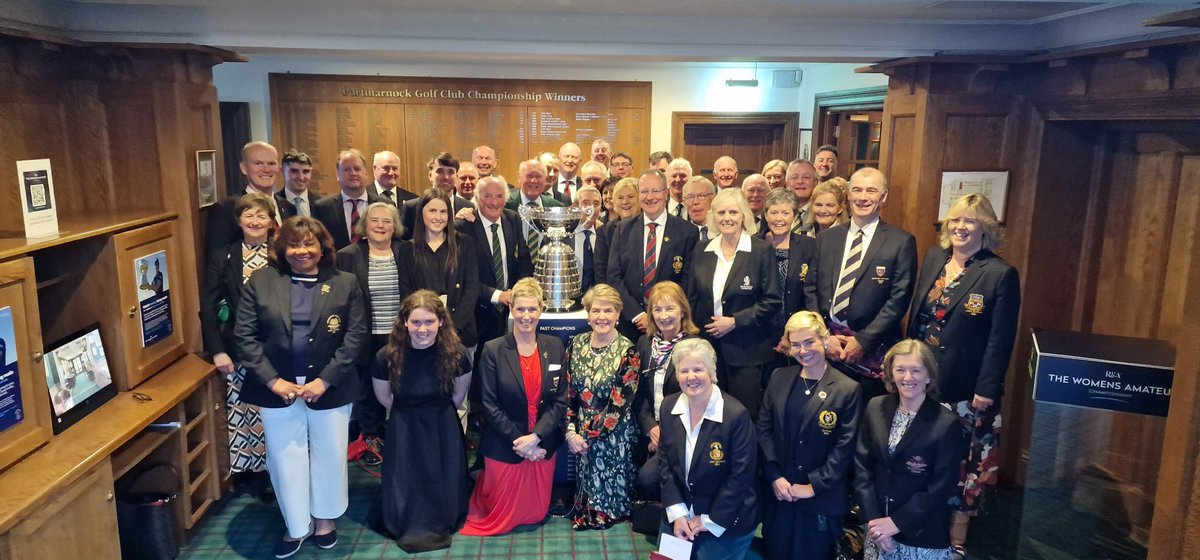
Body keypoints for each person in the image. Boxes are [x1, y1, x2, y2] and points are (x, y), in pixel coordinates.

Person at [234, 216, 367, 558]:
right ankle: (297, 525)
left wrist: (326, 379)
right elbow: (244, 337)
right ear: (282, 249)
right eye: (294, 244)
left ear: (323, 247)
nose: (302, 251)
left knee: (330, 453)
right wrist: (272, 380)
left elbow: (355, 337)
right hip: (276, 387)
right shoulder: (261, 282)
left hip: (330, 386)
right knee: (284, 457)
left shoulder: (345, 282)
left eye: (309, 243)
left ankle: (325, 520)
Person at [906, 194, 1020, 557]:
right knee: (924, 457)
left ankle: (956, 541)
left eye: (969, 221)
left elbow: (1000, 340)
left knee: (963, 466)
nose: (960, 227)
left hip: (967, 391)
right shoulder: (935, 259)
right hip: (922, 383)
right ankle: (921, 523)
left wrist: (986, 388)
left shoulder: (999, 274)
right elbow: (918, 319)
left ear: (985, 228)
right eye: (955, 219)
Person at [462, 278, 568, 536]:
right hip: (506, 442)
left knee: (536, 513)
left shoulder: (554, 346)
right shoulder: (493, 349)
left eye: (532, 309)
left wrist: (536, 438)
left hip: (542, 443)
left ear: (541, 310)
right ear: (512, 310)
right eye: (520, 309)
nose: (526, 316)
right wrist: (521, 442)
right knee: (499, 516)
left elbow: (560, 401)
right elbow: (489, 405)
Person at [369, 290, 471, 552]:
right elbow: (384, 397)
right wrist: (410, 412)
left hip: (442, 424)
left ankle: (444, 515)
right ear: (404, 322)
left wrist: (430, 411)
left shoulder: (457, 354)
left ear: (441, 322)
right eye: (416, 322)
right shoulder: (386, 356)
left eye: (429, 322)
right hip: (404, 426)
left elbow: (458, 397)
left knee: (444, 474)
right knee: (405, 478)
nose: (422, 329)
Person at [758, 311, 863, 559]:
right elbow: (763, 429)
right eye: (796, 344)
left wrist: (813, 486)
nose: (803, 350)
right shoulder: (779, 378)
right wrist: (774, 477)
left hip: (820, 500)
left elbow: (844, 448)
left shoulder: (848, 389)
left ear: (824, 339)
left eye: (809, 342)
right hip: (780, 495)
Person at [805, 167, 916, 398]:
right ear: (848, 194)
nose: (862, 197)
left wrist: (862, 341)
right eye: (856, 190)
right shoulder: (827, 239)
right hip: (829, 349)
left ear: (883, 197)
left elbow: (898, 300)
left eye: (871, 190)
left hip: (871, 355)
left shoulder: (900, 242)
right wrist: (825, 337)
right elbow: (811, 289)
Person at [855, 340, 967, 560]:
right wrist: (874, 520)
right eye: (900, 370)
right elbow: (862, 468)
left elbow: (942, 486)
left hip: (922, 534)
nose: (907, 378)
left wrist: (896, 523)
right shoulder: (875, 407)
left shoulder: (947, 424)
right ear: (890, 373)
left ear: (929, 376)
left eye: (916, 370)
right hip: (877, 529)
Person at [200, 193, 275, 492]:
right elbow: (208, 304)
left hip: (275, 347)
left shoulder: (280, 254)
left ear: (271, 222)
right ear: (239, 221)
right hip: (238, 348)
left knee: (275, 410)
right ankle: (252, 474)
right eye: (249, 215)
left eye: (261, 216)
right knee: (244, 409)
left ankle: (276, 469)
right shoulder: (225, 255)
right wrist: (217, 349)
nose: (255, 221)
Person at [658, 338, 758, 559]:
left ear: (712, 373)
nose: (691, 377)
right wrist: (677, 513)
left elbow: (741, 477)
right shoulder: (668, 407)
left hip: (726, 515)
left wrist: (708, 520)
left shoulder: (736, 415)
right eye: (684, 370)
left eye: (697, 369)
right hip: (683, 510)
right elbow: (665, 464)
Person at [688, 189, 781, 417]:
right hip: (708, 349)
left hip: (747, 350)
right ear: (713, 216)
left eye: (733, 212)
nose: (727, 217)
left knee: (742, 414)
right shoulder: (702, 250)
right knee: (710, 412)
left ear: (744, 216)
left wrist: (734, 321)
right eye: (721, 212)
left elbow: (772, 301)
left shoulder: (761, 251)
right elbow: (692, 298)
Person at [564, 284, 641, 530]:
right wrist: (570, 431)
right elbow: (567, 395)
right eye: (596, 310)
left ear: (618, 314)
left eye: (608, 310)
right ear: (587, 314)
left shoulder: (628, 350)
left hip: (614, 430)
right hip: (581, 427)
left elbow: (619, 405)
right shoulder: (575, 344)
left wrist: (586, 435)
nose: (602, 317)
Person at [335, 202, 407, 467]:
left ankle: (401, 437)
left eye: (386, 221)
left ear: (395, 226)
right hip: (365, 334)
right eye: (374, 220)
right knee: (368, 389)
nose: (380, 226)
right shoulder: (347, 255)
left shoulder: (406, 251)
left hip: (400, 334)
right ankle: (373, 438)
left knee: (400, 386)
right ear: (364, 224)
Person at [607, 170, 699, 341]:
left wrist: (660, 315)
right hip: (630, 325)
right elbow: (614, 277)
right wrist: (637, 314)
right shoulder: (622, 230)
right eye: (644, 191)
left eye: (655, 191)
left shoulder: (687, 231)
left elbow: (688, 280)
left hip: (670, 326)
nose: (650, 197)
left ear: (666, 193)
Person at [632, 281, 699, 500]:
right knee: (642, 479)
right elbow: (639, 395)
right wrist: (651, 427)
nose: (664, 316)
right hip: (651, 430)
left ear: (682, 311)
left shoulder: (695, 346)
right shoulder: (644, 343)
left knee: (650, 477)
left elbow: (697, 401)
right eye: (657, 309)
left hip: (684, 432)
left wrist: (665, 433)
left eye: (670, 308)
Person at [398, 188, 481, 359]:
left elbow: (472, 289)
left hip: (461, 334)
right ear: (421, 214)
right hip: (423, 334)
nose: (438, 217)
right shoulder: (407, 249)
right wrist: (430, 326)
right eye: (432, 211)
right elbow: (407, 293)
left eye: (443, 211)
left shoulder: (464, 244)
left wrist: (451, 328)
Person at [760, 188, 817, 364]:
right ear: (766, 215)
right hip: (760, 334)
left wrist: (790, 335)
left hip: (797, 336)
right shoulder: (753, 245)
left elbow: (811, 292)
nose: (779, 219)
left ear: (794, 216)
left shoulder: (809, 246)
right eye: (774, 212)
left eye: (785, 213)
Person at [205, 141, 296, 251]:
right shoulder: (225, 210)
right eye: (258, 163)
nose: (266, 169)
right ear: (243, 168)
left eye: (271, 163)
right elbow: (216, 262)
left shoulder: (288, 207)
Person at [312, 149, 387, 249]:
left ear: (365, 173)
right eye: (346, 169)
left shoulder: (385, 206)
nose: (353, 173)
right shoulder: (322, 208)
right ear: (337, 175)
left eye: (357, 169)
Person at [593, 176, 640, 286]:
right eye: (620, 197)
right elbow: (601, 274)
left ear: (640, 198)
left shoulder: (651, 228)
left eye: (630, 196)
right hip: (613, 297)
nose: (625, 202)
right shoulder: (604, 232)